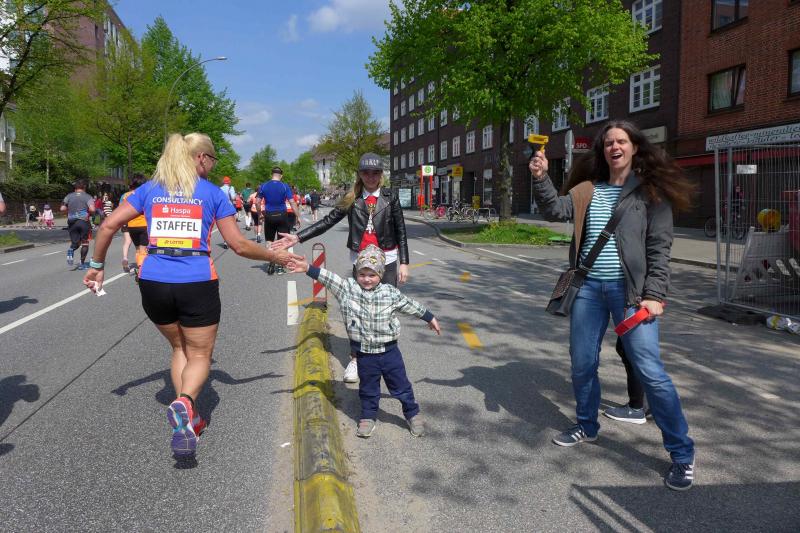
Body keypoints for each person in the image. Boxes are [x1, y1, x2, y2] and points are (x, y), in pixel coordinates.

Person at [82, 132, 300, 457]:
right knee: (199, 355)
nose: (212, 166)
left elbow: (107, 225)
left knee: (178, 347)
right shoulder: (211, 193)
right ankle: (185, 402)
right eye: (212, 159)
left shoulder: (150, 190)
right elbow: (239, 245)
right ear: (200, 158)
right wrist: (276, 256)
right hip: (196, 281)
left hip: (153, 281)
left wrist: (97, 266)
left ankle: (188, 419)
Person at [529, 120, 697, 491]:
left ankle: (682, 453)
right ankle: (587, 425)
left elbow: (660, 248)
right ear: (602, 151)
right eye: (608, 143)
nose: (614, 147)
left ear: (634, 147)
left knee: (650, 370)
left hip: (631, 294)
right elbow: (554, 210)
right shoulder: (588, 189)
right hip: (588, 289)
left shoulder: (651, 192)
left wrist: (655, 294)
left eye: (621, 141)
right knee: (582, 363)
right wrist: (541, 177)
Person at [273, 153, 410, 384]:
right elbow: (327, 222)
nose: (371, 177)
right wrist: (298, 237)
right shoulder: (351, 198)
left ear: (381, 175)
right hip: (361, 261)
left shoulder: (390, 198)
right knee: (356, 309)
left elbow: (401, 231)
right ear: (359, 174)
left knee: (385, 310)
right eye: (366, 172)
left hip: (386, 259)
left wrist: (404, 262)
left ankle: (385, 358)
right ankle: (356, 358)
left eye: (375, 172)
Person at [287, 245, 440, 438]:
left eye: (372, 275)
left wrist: (429, 317)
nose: (367, 279)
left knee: (401, 386)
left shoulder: (390, 293)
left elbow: (410, 305)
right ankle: (368, 416)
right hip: (365, 354)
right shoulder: (347, 289)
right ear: (356, 273)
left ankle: (412, 413)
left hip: (390, 352)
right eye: (362, 274)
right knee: (368, 388)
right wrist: (308, 268)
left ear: (380, 275)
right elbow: (329, 278)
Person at [256, 167, 301, 275]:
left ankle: (271, 262)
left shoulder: (264, 186)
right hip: (282, 215)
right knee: (283, 241)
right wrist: (298, 216)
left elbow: (257, 202)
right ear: (281, 175)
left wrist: (259, 214)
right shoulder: (284, 186)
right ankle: (280, 266)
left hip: (269, 216)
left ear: (271, 174)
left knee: (269, 241)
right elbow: (292, 202)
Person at [61, 180, 96, 269]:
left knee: (75, 242)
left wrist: (69, 212)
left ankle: (71, 249)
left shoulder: (68, 196)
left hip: (71, 221)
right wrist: (91, 213)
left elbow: (62, 208)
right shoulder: (88, 196)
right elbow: (92, 209)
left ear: (75, 188)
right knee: (85, 242)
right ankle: (81, 263)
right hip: (83, 221)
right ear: (84, 187)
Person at [119, 175, 148, 277]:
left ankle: (139, 266)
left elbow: (121, 209)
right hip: (144, 224)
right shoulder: (145, 194)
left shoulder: (125, 196)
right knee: (144, 250)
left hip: (131, 225)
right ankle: (141, 269)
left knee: (137, 249)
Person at [219, 176, 236, 248]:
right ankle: (229, 241)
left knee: (224, 225)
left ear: (223, 182)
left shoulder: (220, 188)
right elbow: (233, 197)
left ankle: (225, 241)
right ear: (229, 182)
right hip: (229, 207)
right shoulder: (231, 188)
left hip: (222, 207)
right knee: (232, 224)